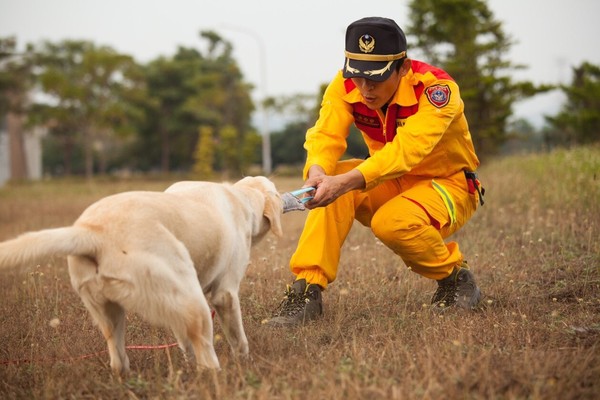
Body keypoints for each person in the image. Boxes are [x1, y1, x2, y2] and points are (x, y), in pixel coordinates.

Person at [266, 17, 485, 327]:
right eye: (357, 76)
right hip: (388, 179)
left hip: (448, 184)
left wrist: (345, 181)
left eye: (377, 79)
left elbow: (408, 150)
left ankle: (456, 278)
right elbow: (325, 135)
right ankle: (306, 290)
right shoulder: (345, 85)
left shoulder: (437, 90)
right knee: (333, 180)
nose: (365, 88)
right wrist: (317, 171)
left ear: (404, 67)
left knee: (390, 222)